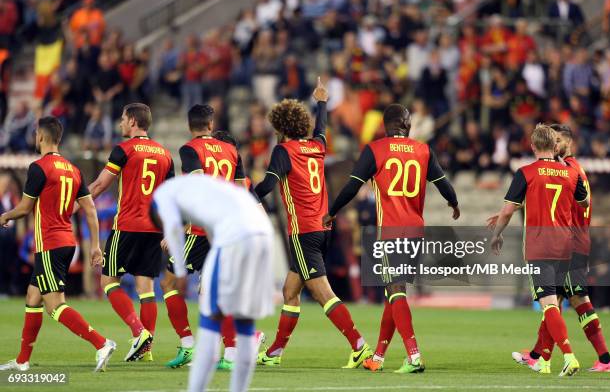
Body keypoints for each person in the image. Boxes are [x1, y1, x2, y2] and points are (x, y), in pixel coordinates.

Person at [323, 104, 459, 373]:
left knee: (395, 291)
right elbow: (443, 183)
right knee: (393, 294)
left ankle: (414, 355)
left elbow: (352, 186)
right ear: (406, 125)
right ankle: (380, 356)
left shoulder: (375, 150)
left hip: (391, 231)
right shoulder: (423, 150)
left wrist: (332, 212)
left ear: (385, 126)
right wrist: (453, 203)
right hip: (416, 230)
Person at [254, 78, 372, 368]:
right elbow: (321, 129)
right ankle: (275, 352)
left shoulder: (283, 152)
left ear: (280, 128)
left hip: (303, 231)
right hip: (322, 229)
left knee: (322, 293)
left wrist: (240, 193)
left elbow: (268, 184)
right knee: (290, 291)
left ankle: (359, 345)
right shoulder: (317, 146)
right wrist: (321, 102)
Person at [0, 116, 115, 372]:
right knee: (33, 296)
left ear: (40, 137)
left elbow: (25, 207)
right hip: (67, 242)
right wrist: (96, 245)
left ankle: (101, 343)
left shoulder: (39, 167)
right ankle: (22, 361)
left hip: (50, 244)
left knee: (54, 305)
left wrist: (5, 216)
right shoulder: (73, 170)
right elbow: (90, 209)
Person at [150, 174, 274, 392]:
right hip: (263, 236)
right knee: (244, 325)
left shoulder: (163, 196)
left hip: (235, 238)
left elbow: (172, 228)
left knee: (210, 320)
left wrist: (179, 271)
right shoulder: (205, 189)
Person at [502, 124, 610, 372]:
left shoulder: (567, 170)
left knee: (571, 300)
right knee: (557, 299)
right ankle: (540, 356)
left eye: (558, 140)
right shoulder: (573, 170)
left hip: (569, 244)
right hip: (572, 242)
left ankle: (602, 358)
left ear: (567, 143)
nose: (554, 143)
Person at [162, 104, 249, 370]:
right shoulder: (232, 151)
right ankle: (230, 353)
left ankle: (188, 345)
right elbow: (240, 192)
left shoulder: (190, 149)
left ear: (190, 127)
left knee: (168, 283)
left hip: (202, 231)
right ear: (211, 125)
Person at [88, 103, 174, 362]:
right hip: (154, 229)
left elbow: (101, 185)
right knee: (145, 288)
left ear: (134, 121)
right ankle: (146, 351)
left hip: (127, 225)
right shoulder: (165, 154)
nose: (121, 123)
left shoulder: (124, 150)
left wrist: (73, 203)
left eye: (124, 119)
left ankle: (139, 332)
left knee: (107, 282)